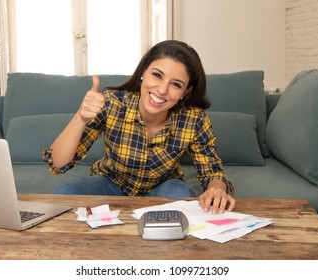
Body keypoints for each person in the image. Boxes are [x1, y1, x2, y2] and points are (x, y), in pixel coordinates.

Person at [42, 40, 235, 214]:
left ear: (186, 91)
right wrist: (81, 116)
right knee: (64, 192)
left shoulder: (194, 119)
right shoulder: (112, 103)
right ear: (143, 72)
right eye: (157, 75)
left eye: (175, 84)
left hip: (162, 187)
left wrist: (216, 188)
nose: (161, 89)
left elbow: (212, 173)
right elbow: (58, 163)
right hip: (111, 182)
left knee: (181, 194)